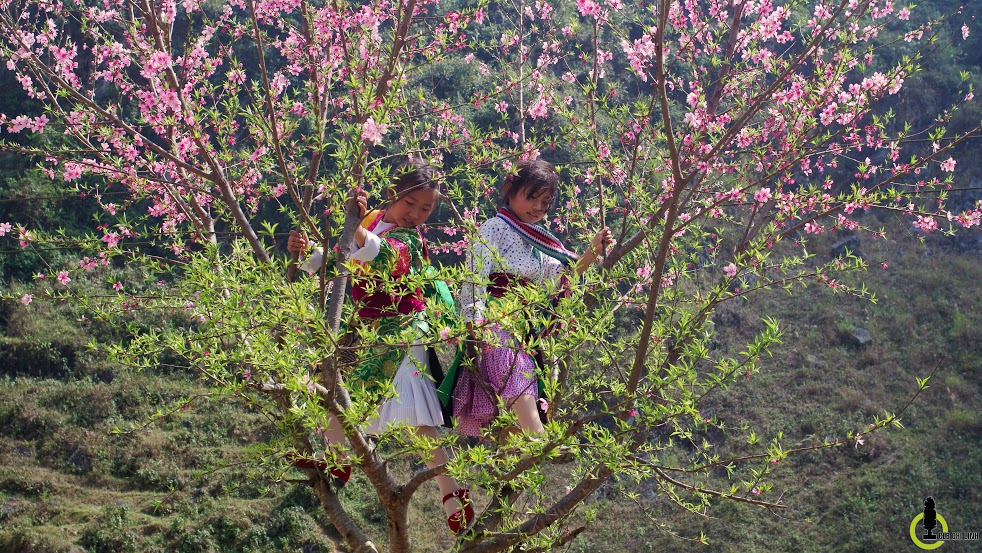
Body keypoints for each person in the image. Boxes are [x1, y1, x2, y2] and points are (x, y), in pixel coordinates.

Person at [287, 159, 473, 533]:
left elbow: (385, 256)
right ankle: (341, 459)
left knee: (415, 419)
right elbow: (344, 263)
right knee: (328, 386)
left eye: (426, 209)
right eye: (411, 204)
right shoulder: (370, 221)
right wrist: (307, 253)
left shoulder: (402, 237)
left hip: (403, 329)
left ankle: (451, 494)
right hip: (370, 330)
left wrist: (354, 230)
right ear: (393, 195)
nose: (416, 214)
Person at [452, 158, 613, 438]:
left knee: (511, 424)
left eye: (545, 202)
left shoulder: (541, 243)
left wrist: (592, 252)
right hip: (495, 326)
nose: (538, 208)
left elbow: (561, 277)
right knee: (514, 376)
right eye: (532, 198)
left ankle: (506, 479)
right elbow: (475, 278)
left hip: (525, 331)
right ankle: (541, 438)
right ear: (509, 189)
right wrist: (474, 326)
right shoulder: (494, 228)